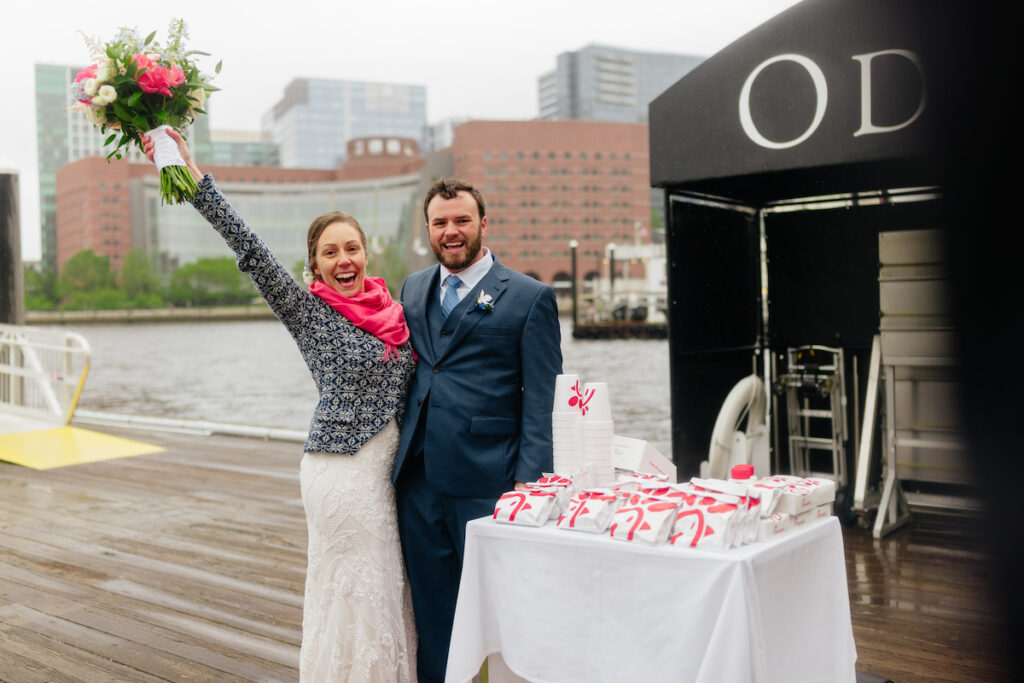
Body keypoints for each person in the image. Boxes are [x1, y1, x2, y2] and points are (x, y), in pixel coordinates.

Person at [141, 129, 418, 682]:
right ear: (314, 264)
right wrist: (194, 178)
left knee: (386, 585)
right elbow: (249, 248)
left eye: (352, 248)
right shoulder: (306, 311)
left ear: (366, 252)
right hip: (341, 473)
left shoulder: (397, 308)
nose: (344, 260)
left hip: (388, 475)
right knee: (351, 588)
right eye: (330, 252)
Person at [392, 177, 562, 682]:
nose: (451, 231)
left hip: (487, 482)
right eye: (440, 223)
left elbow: (543, 399)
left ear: (483, 225)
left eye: (461, 220)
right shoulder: (413, 286)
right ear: (428, 228)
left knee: (499, 613)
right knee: (433, 609)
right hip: (419, 478)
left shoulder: (530, 298)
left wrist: (527, 484)